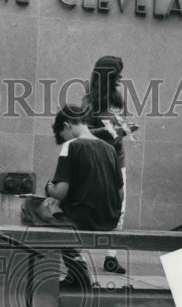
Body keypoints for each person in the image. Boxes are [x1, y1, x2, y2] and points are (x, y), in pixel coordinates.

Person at [20, 105, 123, 289]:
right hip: (108, 219)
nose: (63, 140)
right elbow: (120, 193)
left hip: (81, 219)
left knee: (31, 206)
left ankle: (75, 264)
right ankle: (74, 269)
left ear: (67, 126)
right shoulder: (110, 149)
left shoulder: (71, 146)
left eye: (62, 135)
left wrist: (48, 187)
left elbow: (60, 192)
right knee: (57, 211)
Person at [82, 55, 138, 274]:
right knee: (87, 209)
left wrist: (125, 129)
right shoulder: (90, 101)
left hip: (117, 161)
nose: (121, 77)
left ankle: (111, 257)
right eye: (118, 72)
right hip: (96, 164)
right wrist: (109, 132)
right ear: (107, 74)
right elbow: (85, 134)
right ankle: (78, 257)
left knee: (120, 210)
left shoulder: (117, 99)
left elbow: (119, 127)